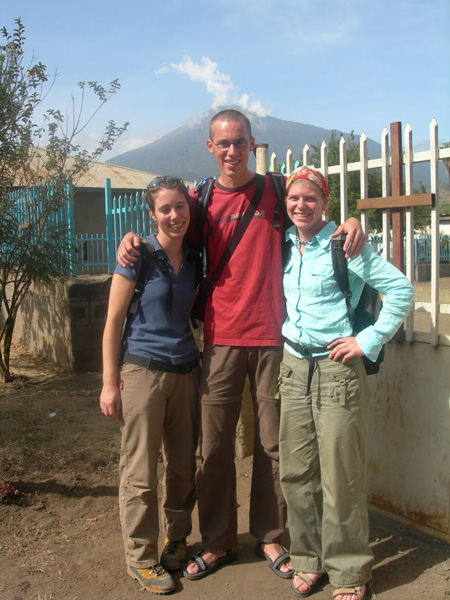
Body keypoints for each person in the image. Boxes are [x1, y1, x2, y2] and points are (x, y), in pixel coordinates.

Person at [116, 109, 366, 580]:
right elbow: (165, 228)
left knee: (275, 446)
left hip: (276, 338)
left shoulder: (275, 189)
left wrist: (352, 218)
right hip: (221, 339)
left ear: (253, 142)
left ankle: (271, 537)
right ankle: (218, 541)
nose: (232, 151)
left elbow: (314, 200)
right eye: (223, 144)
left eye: (239, 142)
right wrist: (131, 239)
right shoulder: (201, 199)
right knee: (214, 447)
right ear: (210, 148)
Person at [279, 166, 414, 600]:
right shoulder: (285, 243)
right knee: (297, 472)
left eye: (310, 199)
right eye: (293, 198)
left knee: (341, 474)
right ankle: (308, 558)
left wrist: (367, 339)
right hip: (294, 364)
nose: (301, 205)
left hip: (337, 369)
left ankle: (350, 572)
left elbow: (401, 290)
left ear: (325, 204)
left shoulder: (345, 245)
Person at [100, 176, 201, 594]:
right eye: (165, 209)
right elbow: (112, 323)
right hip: (143, 372)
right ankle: (140, 558)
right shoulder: (136, 256)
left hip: (186, 372)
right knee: (140, 470)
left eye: (180, 206)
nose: (174, 215)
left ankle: (175, 539)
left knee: (181, 465)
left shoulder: (197, 258)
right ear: (152, 213)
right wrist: (109, 384)